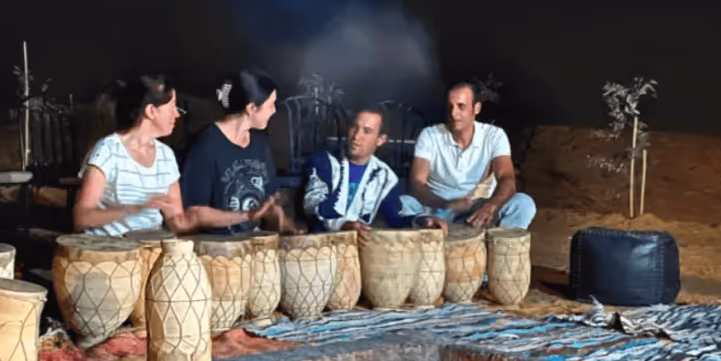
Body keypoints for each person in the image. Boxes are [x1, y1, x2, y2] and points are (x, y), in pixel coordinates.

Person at [74, 75, 276, 236]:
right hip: (110, 257)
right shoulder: (108, 151)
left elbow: (179, 222)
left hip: (150, 255)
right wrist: (131, 209)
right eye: (172, 108)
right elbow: (82, 217)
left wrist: (243, 215)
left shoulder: (165, 156)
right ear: (151, 111)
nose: (178, 115)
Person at [180, 69, 298, 236]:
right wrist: (246, 216)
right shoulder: (206, 146)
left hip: (254, 245)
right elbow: (194, 212)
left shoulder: (260, 143)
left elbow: (268, 201)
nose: (274, 110)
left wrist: (283, 223)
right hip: (217, 251)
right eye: (270, 104)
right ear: (251, 108)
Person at [409, 81, 536, 229]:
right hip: (438, 209)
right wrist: (446, 204)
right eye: (450, 106)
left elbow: (506, 178)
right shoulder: (430, 135)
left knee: (523, 202)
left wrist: (491, 205)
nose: (453, 114)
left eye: (461, 106)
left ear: (476, 108)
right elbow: (417, 183)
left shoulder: (494, 135)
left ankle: (504, 249)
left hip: (476, 207)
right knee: (405, 203)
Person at [303, 107, 447, 233]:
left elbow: (395, 217)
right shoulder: (324, 161)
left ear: (380, 140)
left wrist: (422, 220)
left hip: (357, 247)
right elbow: (313, 205)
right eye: (354, 127)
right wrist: (344, 224)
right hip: (320, 246)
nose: (356, 136)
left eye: (367, 131)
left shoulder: (384, 176)